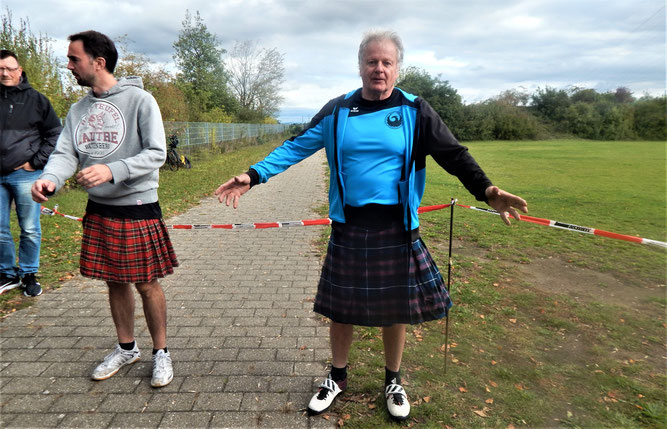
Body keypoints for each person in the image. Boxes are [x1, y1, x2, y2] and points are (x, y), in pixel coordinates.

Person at [216, 29, 527, 421]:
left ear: (397, 68)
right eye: (371, 61)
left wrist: (487, 190)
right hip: (349, 225)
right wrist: (253, 175)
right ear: (360, 65)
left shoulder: (416, 109)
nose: (378, 69)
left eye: (386, 62)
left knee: (395, 309)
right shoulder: (339, 110)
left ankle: (393, 380)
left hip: (397, 227)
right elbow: (297, 145)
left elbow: (453, 153)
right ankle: (337, 376)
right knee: (341, 308)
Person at [31, 31, 178, 388]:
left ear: (98, 62)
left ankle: (161, 352)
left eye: (73, 59)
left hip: (138, 205)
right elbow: (66, 152)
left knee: (146, 283)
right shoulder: (78, 109)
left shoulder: (141, 100)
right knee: (114, 281)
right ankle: (127, 347)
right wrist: (51, 178)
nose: (68, 66)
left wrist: (114, 169)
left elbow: (157, 153)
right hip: (99, 207)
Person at [0, 50, 61, 297]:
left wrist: (35, 163)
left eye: (9, 68)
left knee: (30, 227)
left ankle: (28, 274)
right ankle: (7, 273)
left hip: (24, 175)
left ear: (20, 70)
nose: (4, 72)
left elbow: (56, 134)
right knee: (0, 229)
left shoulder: (36, 100)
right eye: (0, 68)